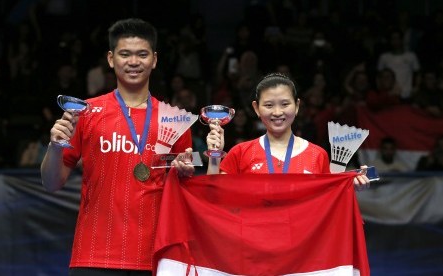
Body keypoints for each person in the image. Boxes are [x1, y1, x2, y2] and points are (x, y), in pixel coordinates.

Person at [40, 18, 194, 276]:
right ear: (111, 59)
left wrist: (187, 171)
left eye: (142, 54)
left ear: (154, 60)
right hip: (92, 257)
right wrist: (54, 147)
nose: (133, 62)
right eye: (125, 54)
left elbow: (186, 188)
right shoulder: (86, 112)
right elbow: (51, 183)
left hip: (155, 258)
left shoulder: (175, 119)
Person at [205, 73, 370, 189]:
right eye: (269, 105)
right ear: (256, 108)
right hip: (253, 237)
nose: (277, 112)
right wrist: (214, 156)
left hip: (301, 238)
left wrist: (350, 185)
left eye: (285, 104)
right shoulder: (240, 152)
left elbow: (327, 202)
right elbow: (214, 194)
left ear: (297, 106)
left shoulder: (317, 155)